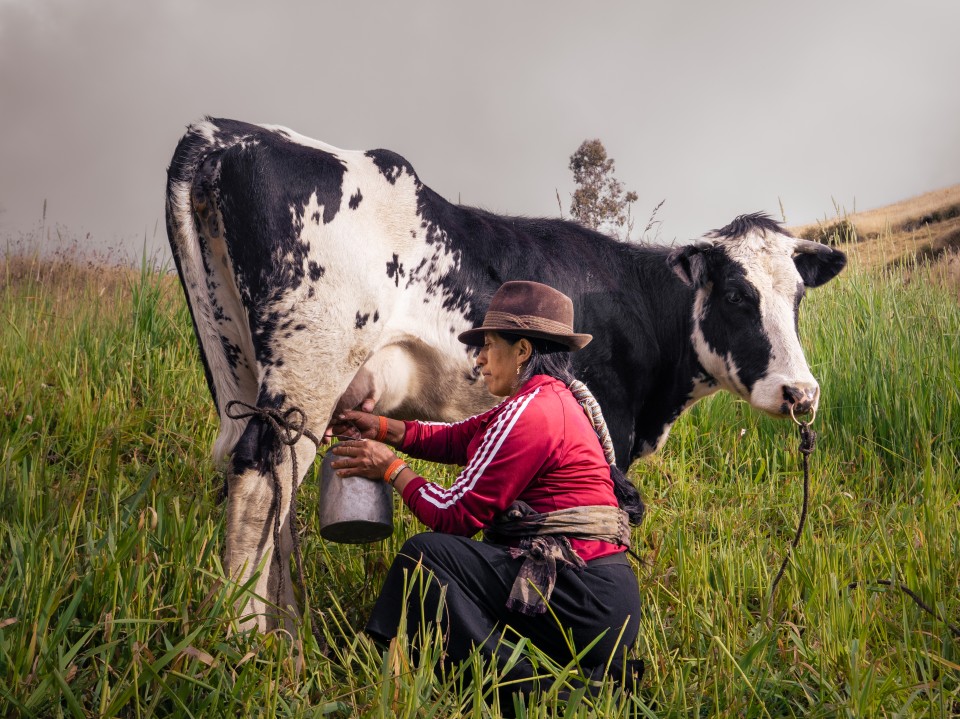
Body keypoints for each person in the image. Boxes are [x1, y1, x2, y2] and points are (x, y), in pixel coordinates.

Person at [329, 280, 644, 700]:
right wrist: (384, 427)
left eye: (489, 345)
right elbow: (461, 438)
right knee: (454, 567)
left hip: (581, 597)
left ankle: (540, 693)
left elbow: (453, 515)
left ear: (522, 352)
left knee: (425, 556)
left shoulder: (533, 413)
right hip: (602, 600)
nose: (479, 359)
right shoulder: (549, 399)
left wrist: (391, 469)